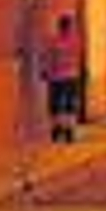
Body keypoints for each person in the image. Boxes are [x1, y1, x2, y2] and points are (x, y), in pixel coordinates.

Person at [41, 13, 82, 144]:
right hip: (68, 76)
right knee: (67, 104)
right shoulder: (75, 40)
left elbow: (48, 57)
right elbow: (76, 56)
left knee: (57, 105)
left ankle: (58, 130)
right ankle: (67, 131)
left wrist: (45, 71)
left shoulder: (54, 40)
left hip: (58, 77)